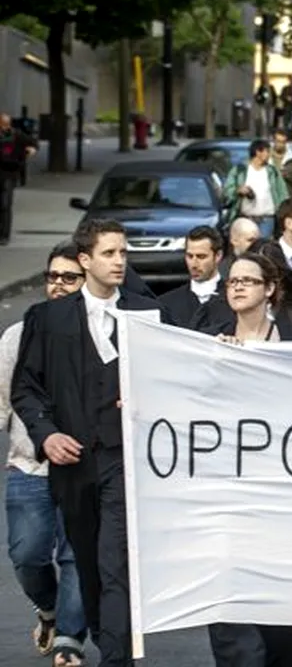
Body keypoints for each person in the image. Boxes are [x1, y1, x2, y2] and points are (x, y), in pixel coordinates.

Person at [11, 219, 171, 667]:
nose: (120, 261)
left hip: (127, 461)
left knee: (115, 562)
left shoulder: (148, 313)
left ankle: (116, 659)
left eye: (123, 253)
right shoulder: (47, 318)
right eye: (109, 253)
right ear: (85, 260)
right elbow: (27, 387)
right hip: (73, 464)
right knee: (87, 565)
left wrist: (148, 394)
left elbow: (180, 374)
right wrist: (47, 434)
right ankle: (105, 634)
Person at [200, 253, 292, 667]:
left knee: (285, 625)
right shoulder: (206, 342)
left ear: (270, 289)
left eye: (248, 280)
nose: (238, 287)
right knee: (234, 620)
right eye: (231, 281)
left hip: (285, 501)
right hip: (227, 499)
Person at [0, 242, 88, 665]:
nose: (57, 285)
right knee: (27, 554)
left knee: (75, 554)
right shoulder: (18, 334)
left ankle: (70, 640)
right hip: (28, 464)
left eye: (68, 277)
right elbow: (5, 398)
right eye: (52, 277)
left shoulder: (99, 331)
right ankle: (50, 611)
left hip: (83, 465)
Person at [159, 226, 224, 328]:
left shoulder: (233, 299)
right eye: (189, 256)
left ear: (218, 256)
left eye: (201, 257)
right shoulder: (167, 304)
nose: (194, 264)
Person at [223, 139, 290, 236]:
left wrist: (284, 212)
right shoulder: (240, 170)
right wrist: (238, 191)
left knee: (263, 247)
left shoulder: (272, 171)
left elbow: (282, 192)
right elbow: (227, 191)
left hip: (267, 219)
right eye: (267, 151)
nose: (269, 155)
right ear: (258, 152)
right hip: (246, 218)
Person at [0, 112, 38, 245]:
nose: (5, 127)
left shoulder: (16, 135)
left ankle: (4, 235)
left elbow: (33, 142)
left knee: (5, 204)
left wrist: (31, 149)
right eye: (3, 125)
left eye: (7, 124)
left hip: (9, 173)